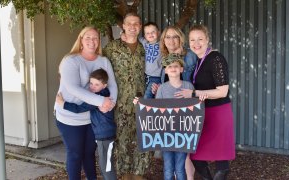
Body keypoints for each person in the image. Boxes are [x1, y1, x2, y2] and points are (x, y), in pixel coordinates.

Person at [54, 26, 117, 180]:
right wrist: (102, 101)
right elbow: (73, 88)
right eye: (87, 37)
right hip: (69, 116)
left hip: (92, 117)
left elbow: (112, 85)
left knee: (89, 154)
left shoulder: (103, 61)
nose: (91, 41)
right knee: (75, 154)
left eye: (95, 38)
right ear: (81, 40)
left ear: (99, 41)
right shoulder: (71, 60)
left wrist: (111, 102)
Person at [176, 25, 235, 180]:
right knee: (196, 156)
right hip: (203, 113)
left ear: (207, 40)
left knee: (222, 162)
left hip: (219, 112)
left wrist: (194, 93)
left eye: (200, 39)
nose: (196, 43)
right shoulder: (198, 61)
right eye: (192, 40)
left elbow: (222, 91)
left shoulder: (216, 58)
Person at [103, 12, 151, 180]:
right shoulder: (111, 48)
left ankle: (139, 175)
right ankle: (125, 175)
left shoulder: (146, 48)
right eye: (129, 23)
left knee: (144, 138)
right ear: (122, 26)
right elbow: (100, 73)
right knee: (121, 141)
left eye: (136, 23)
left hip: (143, 102)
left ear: (140, 26)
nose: (132, 26)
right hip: (120, 103)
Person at [151, 25, 197, 180]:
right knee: (169, 166)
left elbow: (192, 83)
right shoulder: (164, 57)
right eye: (168, 37)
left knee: (184, 159)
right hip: (168, 123)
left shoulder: (188, 56)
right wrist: (157, 88)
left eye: (175, 36)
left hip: (184, 118)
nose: (171, 40)